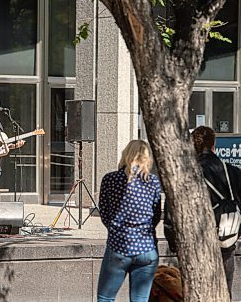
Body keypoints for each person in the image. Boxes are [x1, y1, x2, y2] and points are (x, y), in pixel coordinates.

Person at [165, 126, 241, 298]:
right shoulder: (232, 172)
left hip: (194, 243)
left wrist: (174, 243)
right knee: (224, 292)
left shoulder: (183, 174)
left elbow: (171, 213)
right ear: (214, 145)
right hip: (226, 241)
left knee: (193, 293)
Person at [97, 140, 161, 302]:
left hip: (119, 246)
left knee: (105, 298)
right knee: (140, 300)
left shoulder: (110, 179)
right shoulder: (152, 182)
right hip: (147, 248)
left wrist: (116, 228)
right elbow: (156, 215)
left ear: (126, 154)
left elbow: (104, 212)